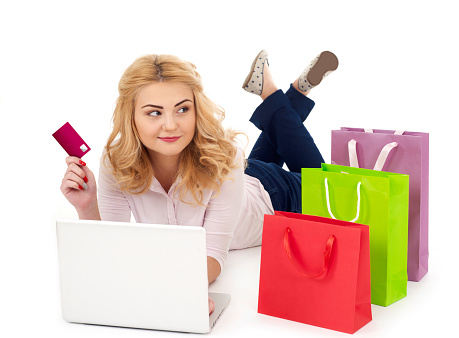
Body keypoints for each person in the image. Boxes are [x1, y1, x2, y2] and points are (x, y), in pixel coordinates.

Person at [60, 50, 338, 314]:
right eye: (154, 113)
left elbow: (214, 257)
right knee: (269, 149)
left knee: (330, 186)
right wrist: (86, 208)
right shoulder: (117, 161)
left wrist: (174, 290)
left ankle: (273, 91)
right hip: (240, 178)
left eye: (182, 110)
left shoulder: (224, 158)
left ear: (196, 110)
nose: (170, 125)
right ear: (130, 117)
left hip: (273, 195)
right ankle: (295, 92)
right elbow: (113, 247)